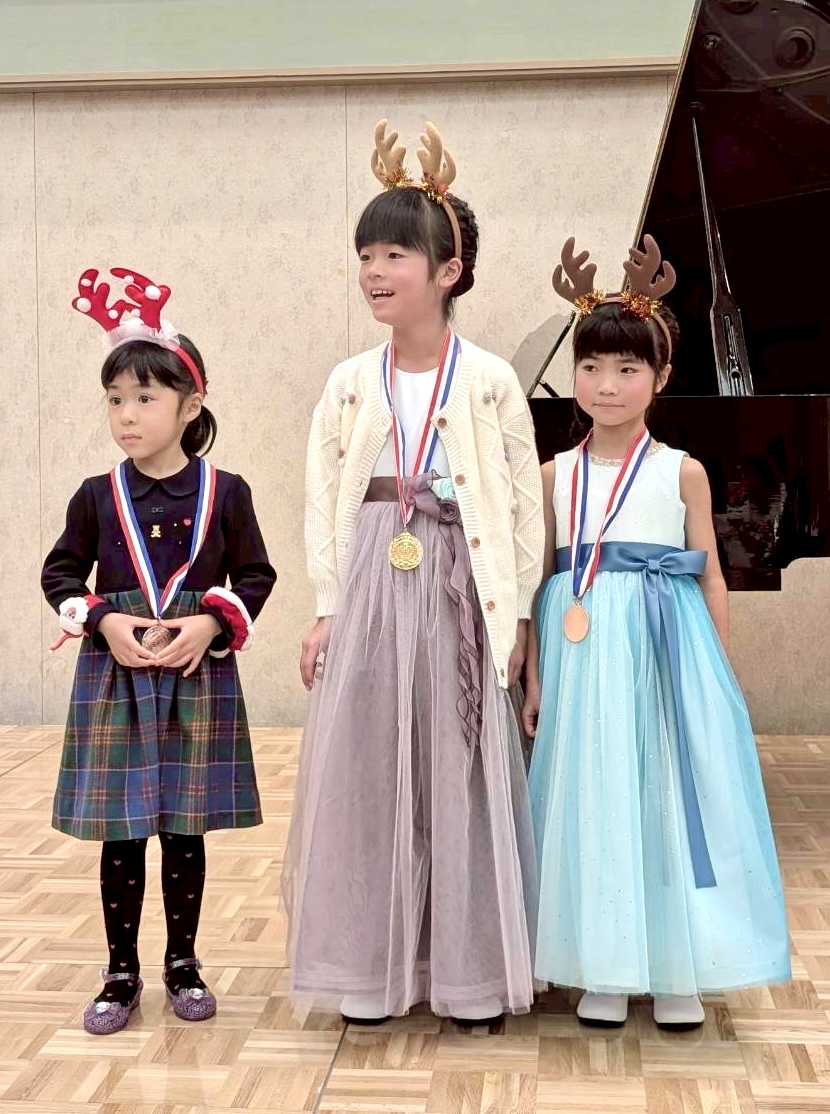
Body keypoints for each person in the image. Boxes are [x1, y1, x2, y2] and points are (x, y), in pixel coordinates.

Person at [282, 121, 545, 1025]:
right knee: (370, 767)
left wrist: (514, 618)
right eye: (365, 254)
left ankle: (468, 973)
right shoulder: (350, 381)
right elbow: (325, 497)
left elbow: (522, 510)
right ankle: (371, 968)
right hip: (374, 583)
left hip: (462, 586)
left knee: (459, 765)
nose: (374, 271)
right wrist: (327, 604)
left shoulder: (491, 380)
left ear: (449, 270)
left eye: (395, 254)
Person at [523, 236, 791, 1030]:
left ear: (662, 376)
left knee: (667, 798)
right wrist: (534, 676)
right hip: (580, 657)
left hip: (666, 654)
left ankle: (679, 967)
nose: (607, 385)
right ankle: (602, 965)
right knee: (595, 798)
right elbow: (537, 585)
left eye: (627, 368)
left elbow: (710, 576)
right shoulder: (554, 475)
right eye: (591, 367)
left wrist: (717, 676)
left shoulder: (683, 470)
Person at [42, 268, 276, 1034]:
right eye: (115, 400)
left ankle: (183, 962)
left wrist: (210, 624)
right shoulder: (96, 494)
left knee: (183, 827)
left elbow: (256, 576)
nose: (127, 415)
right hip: (117, 677)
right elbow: (60, 574)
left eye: (144, 398)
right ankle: (120, 971)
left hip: (195, 676)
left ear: (190, 404)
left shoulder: (227, 492)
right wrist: (103, 620)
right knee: (121, 832)